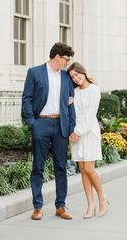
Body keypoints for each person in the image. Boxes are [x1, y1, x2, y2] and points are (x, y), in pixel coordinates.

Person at [22, 42, 75, 221]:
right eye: (66, 60)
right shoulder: (35, 72)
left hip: (60, 125)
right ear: (57, 57)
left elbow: (70, 103)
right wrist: (32, 123)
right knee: (38, 167)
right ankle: (37, 207)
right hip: (41, 124)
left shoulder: (66, 77)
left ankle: (61, 206)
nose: (68, 63)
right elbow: (27, 99)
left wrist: (71, 127)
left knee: (61, 167)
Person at [67, 62, 109, 218]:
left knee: (89, 168)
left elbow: (90, 114)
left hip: (89, 132)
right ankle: (90, 205)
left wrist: (78, 132)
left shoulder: (94, 89)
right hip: (75, 134)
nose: (76, 78)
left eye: (77, 75)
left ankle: (102, 199)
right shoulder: (74, 92)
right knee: (83, 169)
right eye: (73, 77)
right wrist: (73, 132)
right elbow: (72, 113)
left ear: (83, 72)